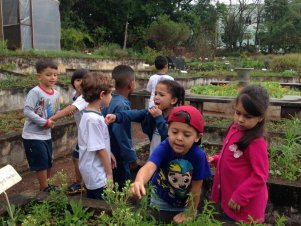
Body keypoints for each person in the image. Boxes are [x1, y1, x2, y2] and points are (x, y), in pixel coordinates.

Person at [130, 105, 212, 224]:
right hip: (161, 198)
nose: (179, 138)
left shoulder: (198, 156)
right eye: (174, 132)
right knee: (157, 220)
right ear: (168, 129)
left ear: (197, 137)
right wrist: (139, 181)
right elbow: (149, 167)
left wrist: (189, 212)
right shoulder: (164, 147)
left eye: (187, 135)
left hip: (186, 202)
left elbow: (196, 189)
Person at [209, 85, 270, 223]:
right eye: (238, 113)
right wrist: (218, 159)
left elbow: (260, 175)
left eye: (247, 116)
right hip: (231, 198)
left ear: (260, 117)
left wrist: (240, 196)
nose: (240, 119)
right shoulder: (234, 128)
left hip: (245, 206)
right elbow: (233, 154)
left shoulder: (256, 142)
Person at [105, 79, 185, 156]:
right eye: (156, 93)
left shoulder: (177, 119)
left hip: (168, 159)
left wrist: (158, 117)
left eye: (161, 95)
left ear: (173, 100)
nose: (156, 97)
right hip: (154, 156)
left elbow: (167, 135)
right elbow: (135, 114)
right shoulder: (152, 112)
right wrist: (116, 116)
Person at [22, 59, 60, 192]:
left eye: (55, 74)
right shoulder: (35, 92)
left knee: (48, 162)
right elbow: (27, 111)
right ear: (39, 76)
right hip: (32, 135)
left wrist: (55, 120)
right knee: (41, 163)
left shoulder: (56, 93)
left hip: (46, 135)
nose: (53, 77)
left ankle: (46, 186)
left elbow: (57, 110)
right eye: (48, 74)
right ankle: (45, 189)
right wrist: (44, 122)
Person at [50, 68, 89, 194]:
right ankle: (82, 183)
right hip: (83, 134)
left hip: (89, 134)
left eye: (84, 80)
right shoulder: (76, 96)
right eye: (78, 80)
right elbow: (74, 109)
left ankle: (82, 183)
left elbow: (69, 109)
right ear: (73, 82)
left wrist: (52, 119)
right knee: (78, 158)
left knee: (78, 158)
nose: (81, 83)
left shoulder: (85, 96)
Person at [78, 72, 116, 200]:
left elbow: (99, 142)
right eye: (110, 94)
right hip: (98, 174)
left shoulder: (91, 115)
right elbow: (99, 150)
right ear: (102, 95)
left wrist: (109, 153)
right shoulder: (93, 120)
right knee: (102, 207)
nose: (112, 97)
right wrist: (110, 174)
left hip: (93, 170)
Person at [102, 65, 138, 191]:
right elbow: (121, 135)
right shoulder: (122, 105)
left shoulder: (109, 100)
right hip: (118, 155)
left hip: (108, 151)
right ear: (131, 84)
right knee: (122, 187)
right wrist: (131, 157)